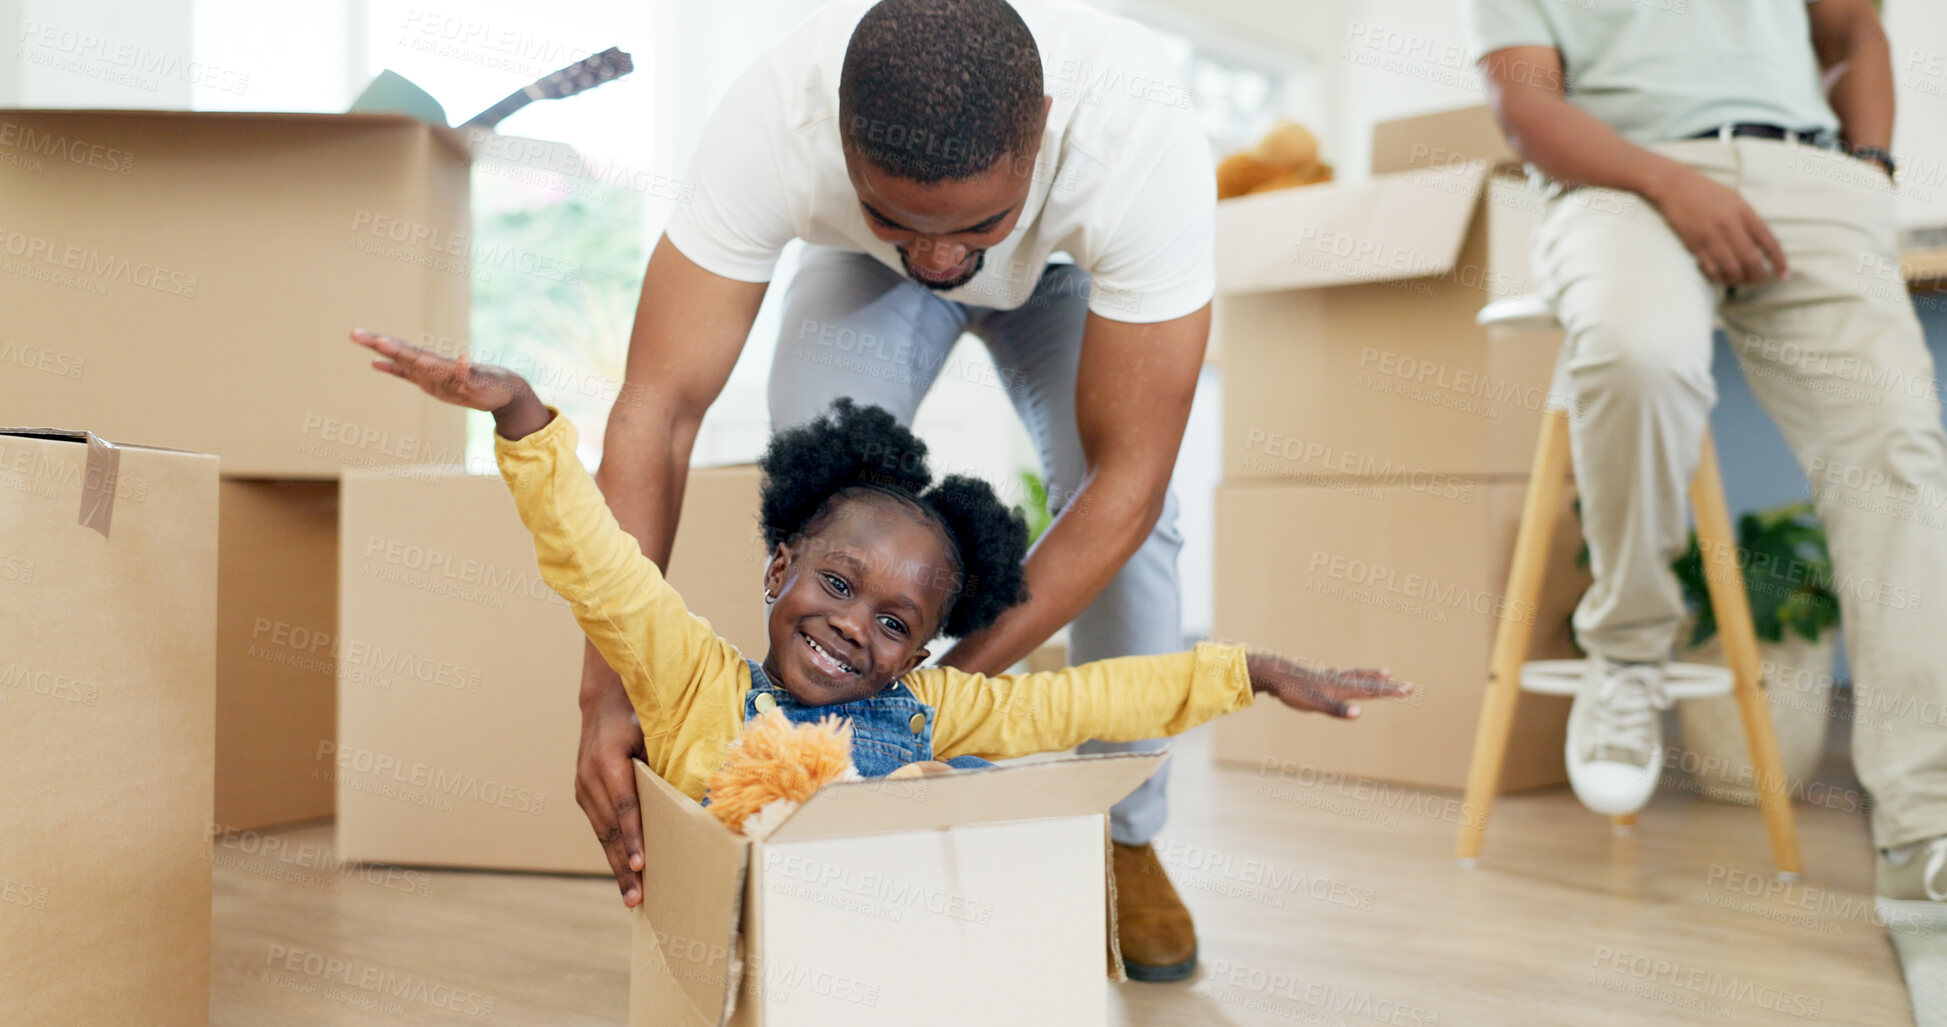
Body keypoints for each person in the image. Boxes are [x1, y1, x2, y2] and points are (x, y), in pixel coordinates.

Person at [574, 0, 1219, 979]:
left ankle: (1126, 835)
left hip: (1061, 277)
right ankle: (803, 778)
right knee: (829, 493)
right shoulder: (774, 119)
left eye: (976, 223)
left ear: (1042, 126)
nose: (941, 261)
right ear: (836, 132)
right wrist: (605, 689)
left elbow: (1127, 484)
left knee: (1143, 520)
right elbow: (656, 410)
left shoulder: (1141, 141)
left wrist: (932, 699)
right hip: (854, 273)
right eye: (901, 216)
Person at [349, 328, 1407, 815]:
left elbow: (1089, 697)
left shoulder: (931, 709)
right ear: (779, 568)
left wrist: (1253, 671)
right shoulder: (689, 680)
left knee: (997, 774)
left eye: (899, 624)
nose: (858, 628)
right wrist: (524, 418)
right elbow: (600, 567)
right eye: (840, 585)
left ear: (925, 651)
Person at [1465, 0, 1947, 921]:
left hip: (1810, 178)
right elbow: (1523, 102)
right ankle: (1627, 649)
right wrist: (1670, 183)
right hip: (1616, 183)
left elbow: (1850, 32)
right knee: (1638, 352)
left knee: (1894, 450)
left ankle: (1923, 823)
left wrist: (1870, 171)